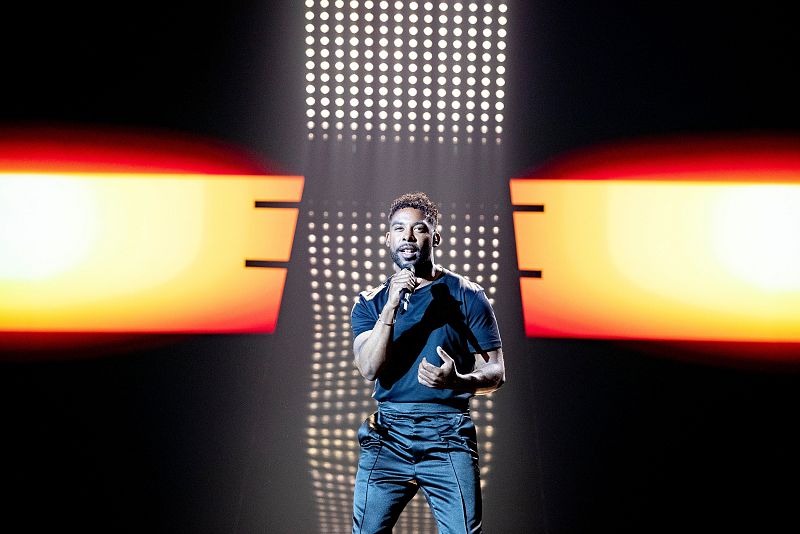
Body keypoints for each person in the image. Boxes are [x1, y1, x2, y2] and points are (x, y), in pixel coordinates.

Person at [350, 191, 506, 534]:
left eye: (418, 229)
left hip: (448, 434)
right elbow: (369, 369)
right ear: (388, 237)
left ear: (434, 236)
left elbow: (496, 371)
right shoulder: (371, 303)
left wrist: (459, 381)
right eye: (399, 229)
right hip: (388, 435)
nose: (408, 237)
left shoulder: (467, 295)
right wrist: (391, 307)